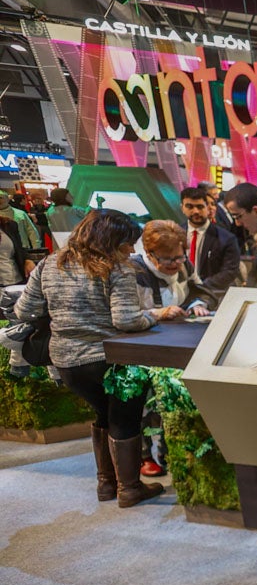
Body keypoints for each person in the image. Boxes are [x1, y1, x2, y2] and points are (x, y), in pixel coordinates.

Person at [14, 210, 175, 507]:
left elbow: (24, 311)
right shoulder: (118, 269)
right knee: (124, 419)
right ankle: (129, 489)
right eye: (127, 243)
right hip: (110, 359)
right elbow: (127, 320)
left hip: (66, 362)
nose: (131, 250)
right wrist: (152, 316)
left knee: (102, 415)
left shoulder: (49, 264)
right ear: (110, 240)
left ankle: (106, 485)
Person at [131, 220, 214, 476]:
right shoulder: (131, 271)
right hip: (141, 348)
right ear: (149, 253)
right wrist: (156, 313)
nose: (175, 265)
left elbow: (201, 290)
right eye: (168, 260)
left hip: (176, 345)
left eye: (179, 258)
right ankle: (145, 454)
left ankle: (172, 453)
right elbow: (123, 314)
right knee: (145, 403)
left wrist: (198, 302)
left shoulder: (184, 265)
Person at [179, 186, 242, 305]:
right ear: (182, 208)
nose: (196, 211)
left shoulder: (226, 238)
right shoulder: (175, 234)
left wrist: (200, 287)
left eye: (200, 207)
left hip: (213, 296)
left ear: (208, 208)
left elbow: (229, 271)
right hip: (180, 296)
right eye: (190, 207)